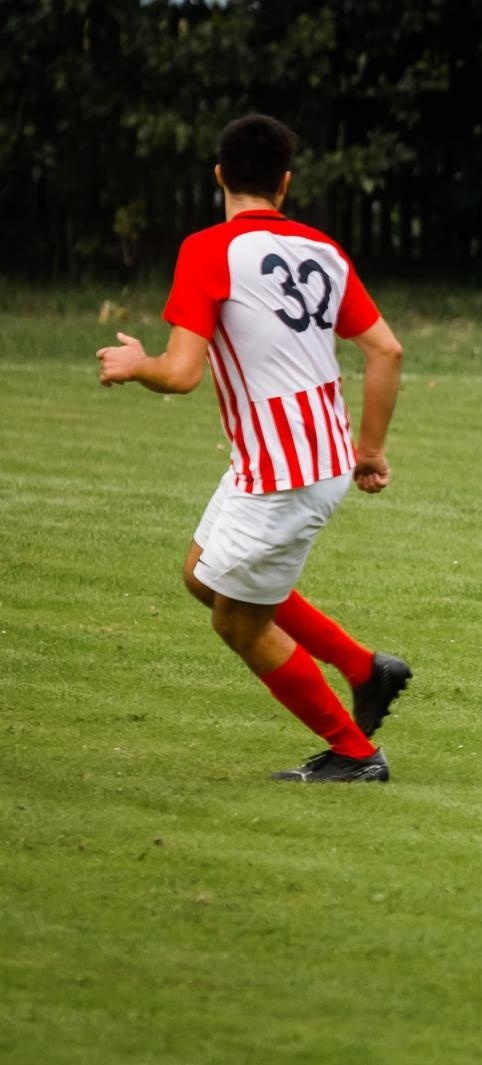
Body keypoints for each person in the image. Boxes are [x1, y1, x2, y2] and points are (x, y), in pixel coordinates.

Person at [96, 114, 412, 781]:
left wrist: (136, 363)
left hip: (283, 469)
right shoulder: (324, 251)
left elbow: (180, 374)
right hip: (303, 457)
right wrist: (369, 449)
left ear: (218, 176)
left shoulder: (209, 249)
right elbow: (385, 349)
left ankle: (357, 755)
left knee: (237, 621)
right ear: (286, 184)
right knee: (202, 572)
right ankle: (365, 669)